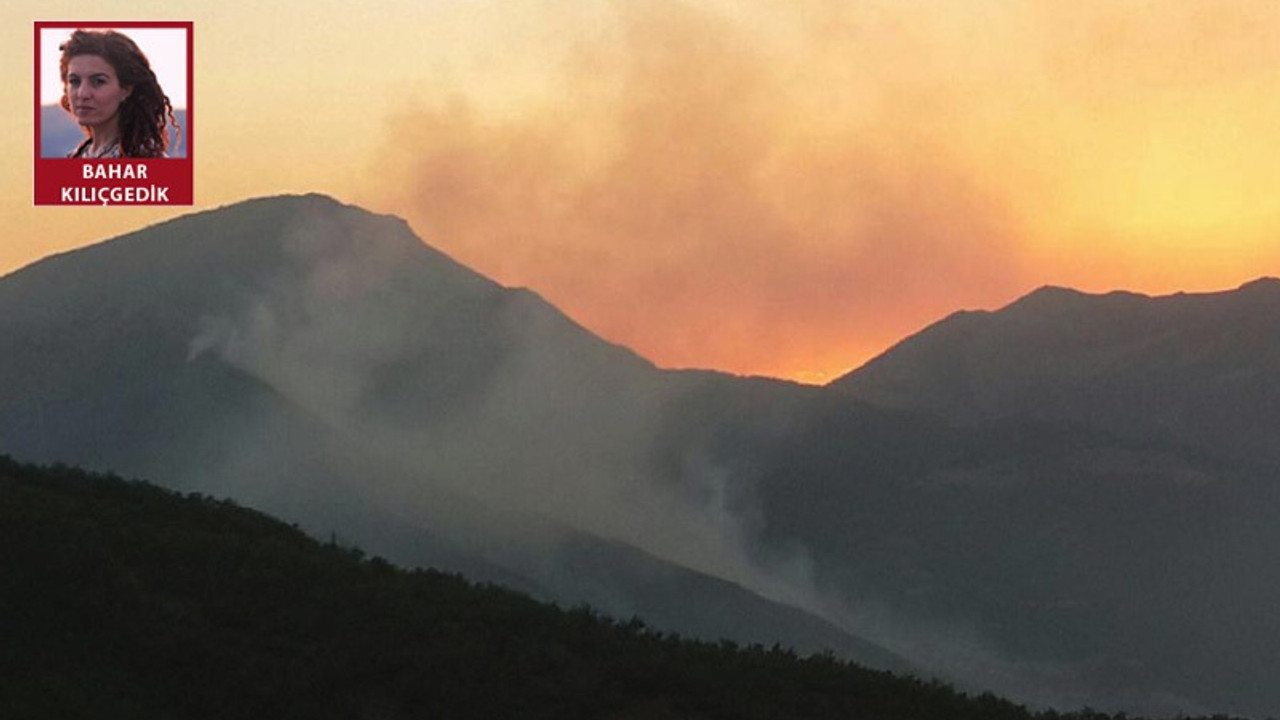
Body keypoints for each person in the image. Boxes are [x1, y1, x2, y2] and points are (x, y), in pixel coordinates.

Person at [59, 29, 177, 159]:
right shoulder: (74, 157)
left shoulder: (146, 160)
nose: (83, 94)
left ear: (125, 89)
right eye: (74, 81)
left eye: (98, 81)